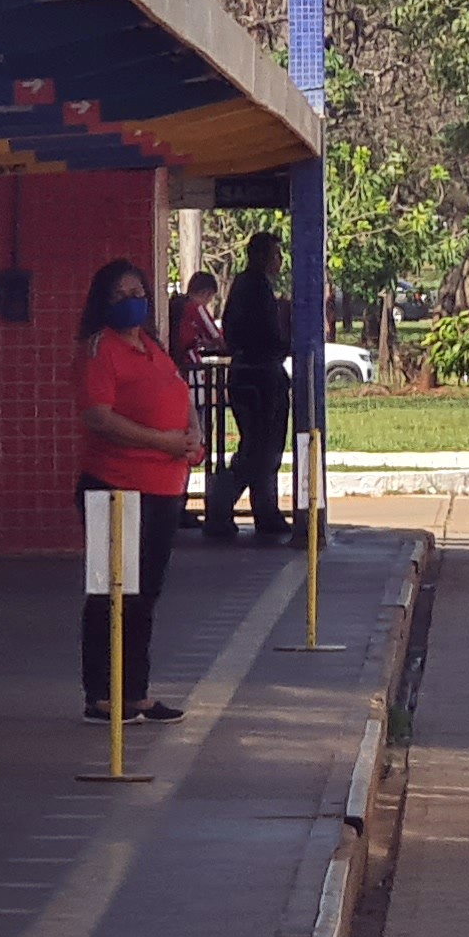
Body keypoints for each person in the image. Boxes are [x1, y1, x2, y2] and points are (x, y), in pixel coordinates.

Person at [77, 258, 200, 725]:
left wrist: (192, 436)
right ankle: (103, 694)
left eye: (137, 292)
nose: (132, 302)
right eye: (120, 295)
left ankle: (136, 691)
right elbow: (99, 417)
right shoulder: (98, 350)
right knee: (112, 594)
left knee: (145, 594)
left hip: (163, 487)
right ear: (102, 303)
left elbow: (180, 396)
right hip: (117, 487)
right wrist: (161, 442)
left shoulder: (152, 346)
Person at [204, 233, 290, 541]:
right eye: (276, 254)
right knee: (259, 449)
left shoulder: (244, 285)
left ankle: (264, 511)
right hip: (259, 375)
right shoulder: (256, 288)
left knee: (260, 448)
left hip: (248, 373)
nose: (280, 261)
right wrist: (285, 342)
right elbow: (264, 334)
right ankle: (222, 508)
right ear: (264, 257)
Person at [169, 270, 223, 366]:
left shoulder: (175, 304)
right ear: (206, 293)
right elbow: (216, 336)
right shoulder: (197, 308)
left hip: (173, 360)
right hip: (190, 362)